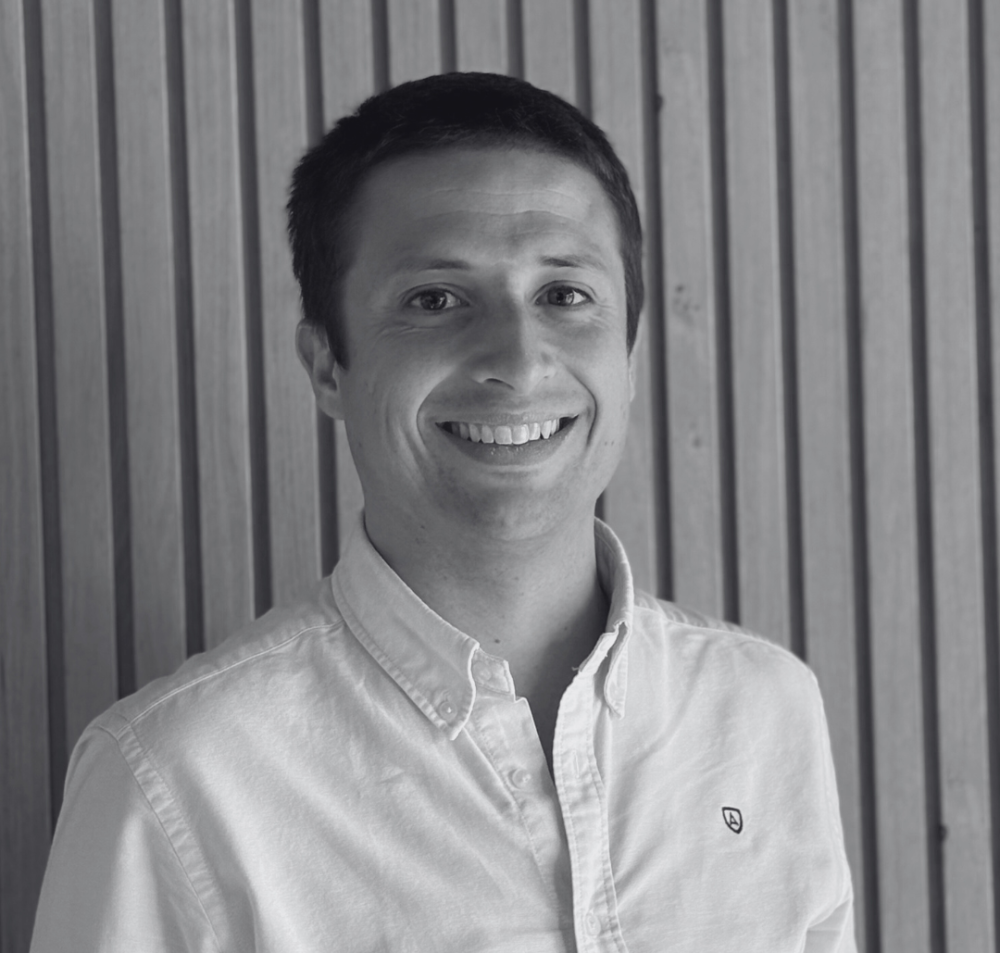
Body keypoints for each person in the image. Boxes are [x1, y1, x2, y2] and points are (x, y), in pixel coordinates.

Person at [30, 72, 855, 951]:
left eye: (564, 295)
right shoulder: (174, 779)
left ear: (628, 352)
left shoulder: (763, 713)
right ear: (327, 367)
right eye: (434, 300)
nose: (519, 360)